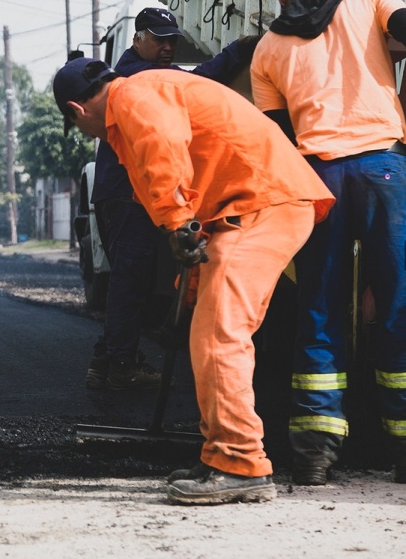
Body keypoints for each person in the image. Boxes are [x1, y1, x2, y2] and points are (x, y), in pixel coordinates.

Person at [53, 56, 335, 505]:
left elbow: (162, 147)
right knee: (210, 328)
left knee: (219, 336)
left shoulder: (132, 95)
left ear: (75, 109)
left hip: (260, 203)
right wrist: (190, 270)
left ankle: (239, 463)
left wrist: (176, 221)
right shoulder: (152, 88)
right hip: (251, 204)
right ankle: (217, 455)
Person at [250, 0, 406, 486]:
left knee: (319, 308)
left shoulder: (267, 47)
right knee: (398, 302)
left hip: (319, 179)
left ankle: (314, 452)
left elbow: (277, 139)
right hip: (385, 171)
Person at [85, 7, 257, 391]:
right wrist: (237, 50)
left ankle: (106, 359)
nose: (167, 47)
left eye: (172, 40)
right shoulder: (134, 75)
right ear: (137, 39)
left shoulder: (140, 71)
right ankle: (122, 363)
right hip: (129, 194)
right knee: (131, 281)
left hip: (128, 193)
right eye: (159, 39)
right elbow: (199, 82)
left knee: (132, 281)